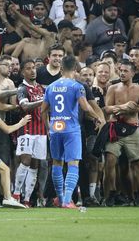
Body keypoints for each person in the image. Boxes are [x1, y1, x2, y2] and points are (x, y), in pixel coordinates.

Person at [41, 55, 102, 208]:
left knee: (57, 163)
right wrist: (96, 117)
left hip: (56, 129)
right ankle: (68, 200)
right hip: (71, 129)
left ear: (61, 69)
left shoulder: (51, 86)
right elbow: (85, 106)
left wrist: (48, 128)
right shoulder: (77, 86)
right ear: (75, 69)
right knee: (73, 163)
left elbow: (43, 111)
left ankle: (60, 198)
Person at [103, 60, 139, 207]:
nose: (122, 73)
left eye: (125, 71)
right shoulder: (113, 88)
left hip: (133, 129)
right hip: (115, 128)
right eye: (120, 70)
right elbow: (107, 109)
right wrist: (122, 106)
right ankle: (112, 193)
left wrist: (130, 109)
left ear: (133, 73)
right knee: (110, 161)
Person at [12, 59, 47, 207]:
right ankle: (16, 194)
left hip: (41, 130)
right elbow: (25, 106)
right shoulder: (22, 88)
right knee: (25, 161)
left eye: (33, 68)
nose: (32, 71)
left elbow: (46, 110)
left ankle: (27, 199)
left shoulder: (41, 88)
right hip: (26, 129)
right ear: (22, 72)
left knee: (35, 165)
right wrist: (43, 100)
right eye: (28, 68)